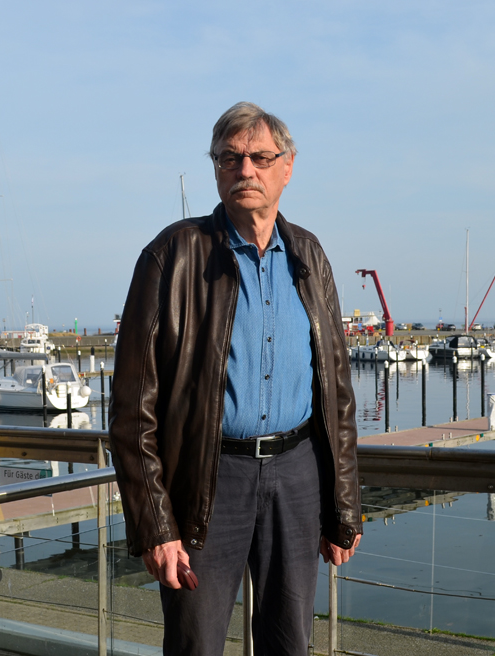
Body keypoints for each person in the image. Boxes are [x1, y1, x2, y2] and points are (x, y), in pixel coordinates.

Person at [109, 101, 362, 655]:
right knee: (196, 644)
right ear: (216, 169)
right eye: (229, 159)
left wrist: (343, 503)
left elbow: (337, 390)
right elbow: (132, 409)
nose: (244, 170)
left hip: (297, 477)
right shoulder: (170, 256)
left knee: (290, 643)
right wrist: (156, 525)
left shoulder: (309, 255)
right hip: (207, 482)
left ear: (287, 167)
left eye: (259, 157)